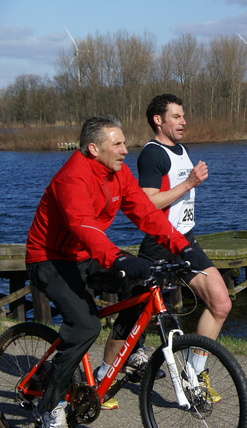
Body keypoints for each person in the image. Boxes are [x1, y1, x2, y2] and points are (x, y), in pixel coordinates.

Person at [25, 116, 209, 428]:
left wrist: (181, 246)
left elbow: (146, 213)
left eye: (125, 142)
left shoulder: (118, 174)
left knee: (143, 285)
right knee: (85, 326)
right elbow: (82, 226)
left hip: (87, 254)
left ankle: (128, 352)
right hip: (50, 259)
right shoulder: (72, 178)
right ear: (94, 148)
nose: (126, 150)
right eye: (118, 144)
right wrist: (118, 258)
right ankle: (48, 406)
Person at [135, 94, 232, 385]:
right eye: (176, 116)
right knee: (135, 316)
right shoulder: (152, 154)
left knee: (220, 303)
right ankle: (109, 370)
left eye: (183, 116)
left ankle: (193, 370)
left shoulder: (181, 149)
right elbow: (148, 203)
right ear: (158, 120)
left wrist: (189, 182)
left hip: (185, 240)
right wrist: (189, 182)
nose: (183, 121)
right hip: (160, 243)